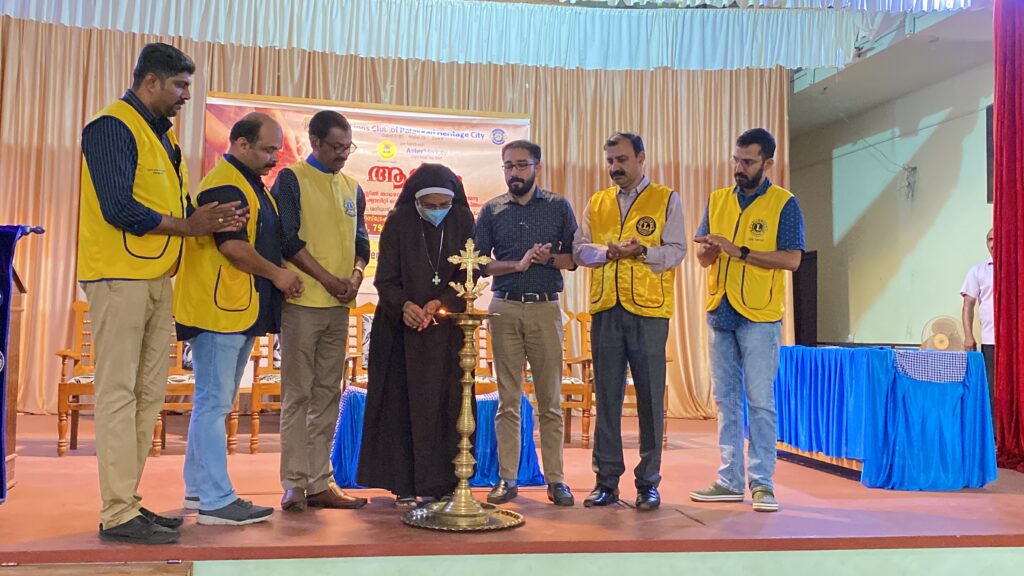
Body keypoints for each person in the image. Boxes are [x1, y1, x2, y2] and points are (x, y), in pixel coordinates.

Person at [78, 43, 245, 544]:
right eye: (179, 86)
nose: (184, 96)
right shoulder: (110, 126)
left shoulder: (162, 138)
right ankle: (116, 510)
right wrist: (187, 226)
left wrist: (208, 220)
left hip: (156, 278)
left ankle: (127, 503)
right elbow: (117, 207)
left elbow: (171, 205)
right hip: (116, 277)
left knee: (150, 395)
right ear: (150, 81)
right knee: (116, 394)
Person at [174, 113, 303, 525]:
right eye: (267, 150)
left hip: (238, 309)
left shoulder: (249, 184)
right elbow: (233, 248)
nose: (273, 158)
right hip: (219, 309)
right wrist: (279, 274)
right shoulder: (227, 184)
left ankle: (198, 492)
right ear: (241, 144)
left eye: (276, 151)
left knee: (213, 403)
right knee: (214, 404)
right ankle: (216, 500)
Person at [689, 128, 804, 513]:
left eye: (748, 162)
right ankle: (729, 480)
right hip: (720, 311)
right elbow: (705, 258)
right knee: (725, 401)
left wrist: (739, 251)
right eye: (736, 160)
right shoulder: (718, 199)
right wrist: (709, 251)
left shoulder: (784, 204)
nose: (739, 168)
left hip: (759, 316)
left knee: (760, 401)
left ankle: (763, 483)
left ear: (767, 163)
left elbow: (792, 259)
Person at [573, 132, 687, 511]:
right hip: (606, 307)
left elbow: (676, 251)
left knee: (650, 399)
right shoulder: (597, 202)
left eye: (621, 159)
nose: (615, 168)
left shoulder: (666, 198)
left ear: (640, 157)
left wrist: (643, 252)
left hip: (649, 311)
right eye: (610, 161)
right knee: (606, 397)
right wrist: (608, 251)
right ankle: (606, 481)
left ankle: (648, 482)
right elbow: (579, 249)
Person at [357, 163, 475, 508]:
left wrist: (445, 301)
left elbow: (471, 271)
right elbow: (385, 278)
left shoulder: (464, 222)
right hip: (399, 330)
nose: (437, 212)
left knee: (447, 403)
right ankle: (403, 483)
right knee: (399, 403)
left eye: (443, 205)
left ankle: (442, 482)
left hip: (446, 330)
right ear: (416, 201)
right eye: (431, 205)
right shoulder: (398, 222)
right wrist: (404, 305)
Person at [271, 110, 369, 512]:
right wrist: (328, 279)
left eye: (348, 147)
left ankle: (319, 481)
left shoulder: (353, 187)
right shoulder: (292, 179)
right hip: (301, 304)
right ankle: (293, 482)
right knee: (298, 394)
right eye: (335, 147)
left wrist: (357, 276)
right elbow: (287, 239)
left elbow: (361, 242)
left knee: (329, 394)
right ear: (313, 141)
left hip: (338, 307)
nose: (343, 155)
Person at [474, 140, 578, 507]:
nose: (514, 173)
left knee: (549, 400)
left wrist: (548, 260)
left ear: (537, 166)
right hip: (504, 308)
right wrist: (516, 265)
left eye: (521, 166)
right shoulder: (491, 210)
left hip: (546, 309)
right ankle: (507, 479)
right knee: (507, 401)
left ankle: (556, 480)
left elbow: (574, 258)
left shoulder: (558, 206)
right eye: (508, 166)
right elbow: (478, 263)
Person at [961, 227, 996, 424]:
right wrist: (968, 335)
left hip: (1016, 340)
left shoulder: (1016, 267)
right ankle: (995, 437)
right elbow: (968, 305)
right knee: (991, 389)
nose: (992, 243)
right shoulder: (978, 271)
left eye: (996, 239)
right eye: (989, 239)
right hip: (991, 340)